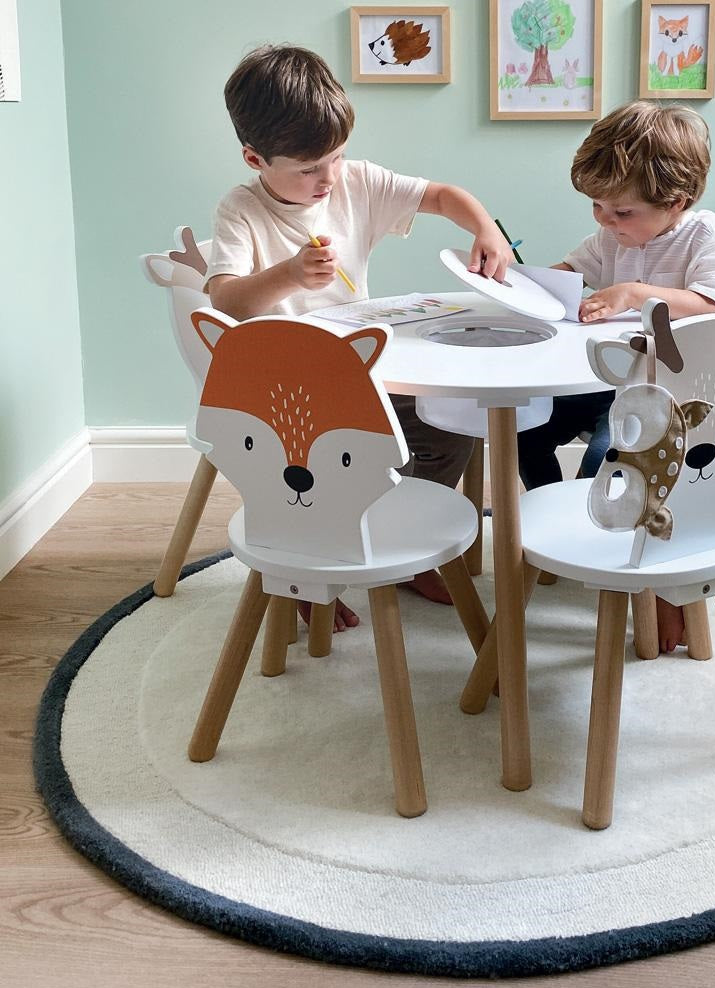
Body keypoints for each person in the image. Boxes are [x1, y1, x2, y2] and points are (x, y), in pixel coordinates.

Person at [206, 44, 513, 632]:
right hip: (284, 393)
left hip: (357, 373)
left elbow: (443, 196)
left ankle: (403, 548)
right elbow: (225, 299)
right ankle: (308, 559)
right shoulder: (241, 211)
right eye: (307, 168)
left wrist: (486, 229)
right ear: (255, 158)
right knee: (330, 466)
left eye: (337, 158)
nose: (328, 178)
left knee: (449, 432)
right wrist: (289, 275)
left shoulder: (357, 184)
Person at [516, 100, 715, 653]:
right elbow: (566, 273)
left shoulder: (705, 235)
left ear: (676, 204)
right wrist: (523, 282)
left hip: (667, 398)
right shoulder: (610, 238)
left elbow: (714, 304)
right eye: (597, 206)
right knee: (527, 424)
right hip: (601, 385)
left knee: (609, 462)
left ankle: (638, 577)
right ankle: (573, 531)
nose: (606, 222)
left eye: (621, 213)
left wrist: (637, 293)